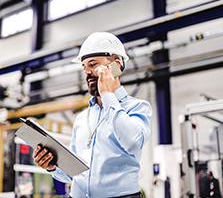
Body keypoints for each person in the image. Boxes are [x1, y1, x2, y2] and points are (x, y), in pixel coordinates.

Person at [32, 32, 152, 198]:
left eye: (93, 64)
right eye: (84, 67)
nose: (87, 72)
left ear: (116, 65)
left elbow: (132, 143)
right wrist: (52, 166)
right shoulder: (82, 118)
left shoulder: (138, 108)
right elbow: (72, 173)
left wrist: (108, 94)